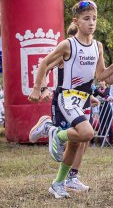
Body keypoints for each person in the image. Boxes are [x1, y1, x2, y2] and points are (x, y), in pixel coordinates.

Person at [28, 0, 113, 198]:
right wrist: (38, 88)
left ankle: (59, 183)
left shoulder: (98, 46)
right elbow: (44, 63)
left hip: (83, 98)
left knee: (77, 141)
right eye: (86, 19)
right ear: (76, 21)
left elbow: (101, 76)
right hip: (66, 97)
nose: (91, 23)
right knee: (86, 133)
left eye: (94, 19)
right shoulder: (68, 44)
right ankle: (52, 131)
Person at [29, 22, 99, 192]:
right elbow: (44, 67)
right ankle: (48, 128)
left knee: (83, 140)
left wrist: (91, 96)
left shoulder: (92, 49)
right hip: (66, 100)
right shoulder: (66, 51)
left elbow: (86, 78)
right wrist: (43, 88)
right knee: (77, 139)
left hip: (83, 99)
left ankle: (72, 176)